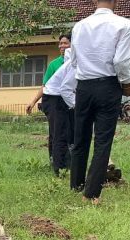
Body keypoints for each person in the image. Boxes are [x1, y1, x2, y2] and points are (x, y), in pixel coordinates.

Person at [70, 0, 130, 204]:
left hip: (83, 86)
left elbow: (73, 61)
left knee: (80, 137)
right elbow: (120, 61)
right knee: (102, 141)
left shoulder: (79, 25)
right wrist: (127, 84)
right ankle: (91, 194)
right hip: (107, 86)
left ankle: (77, 184)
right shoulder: (124, 24)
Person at [41, 48, 77, 177]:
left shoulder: (75, 58)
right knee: (60, 133)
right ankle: (59, 169)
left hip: (59, 97)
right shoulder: (76, 65)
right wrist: (77, 106)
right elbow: (65, 89)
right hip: (53, 98)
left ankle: (67, 165)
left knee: (66, 132)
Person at [25, 34, 72, 116]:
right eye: (60, 43)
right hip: (57, 102)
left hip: (72, 101)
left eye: (65, 43)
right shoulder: (53, 64)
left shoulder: (76, 62)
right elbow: (45, 86)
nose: (62, 46)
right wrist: (33, 102)